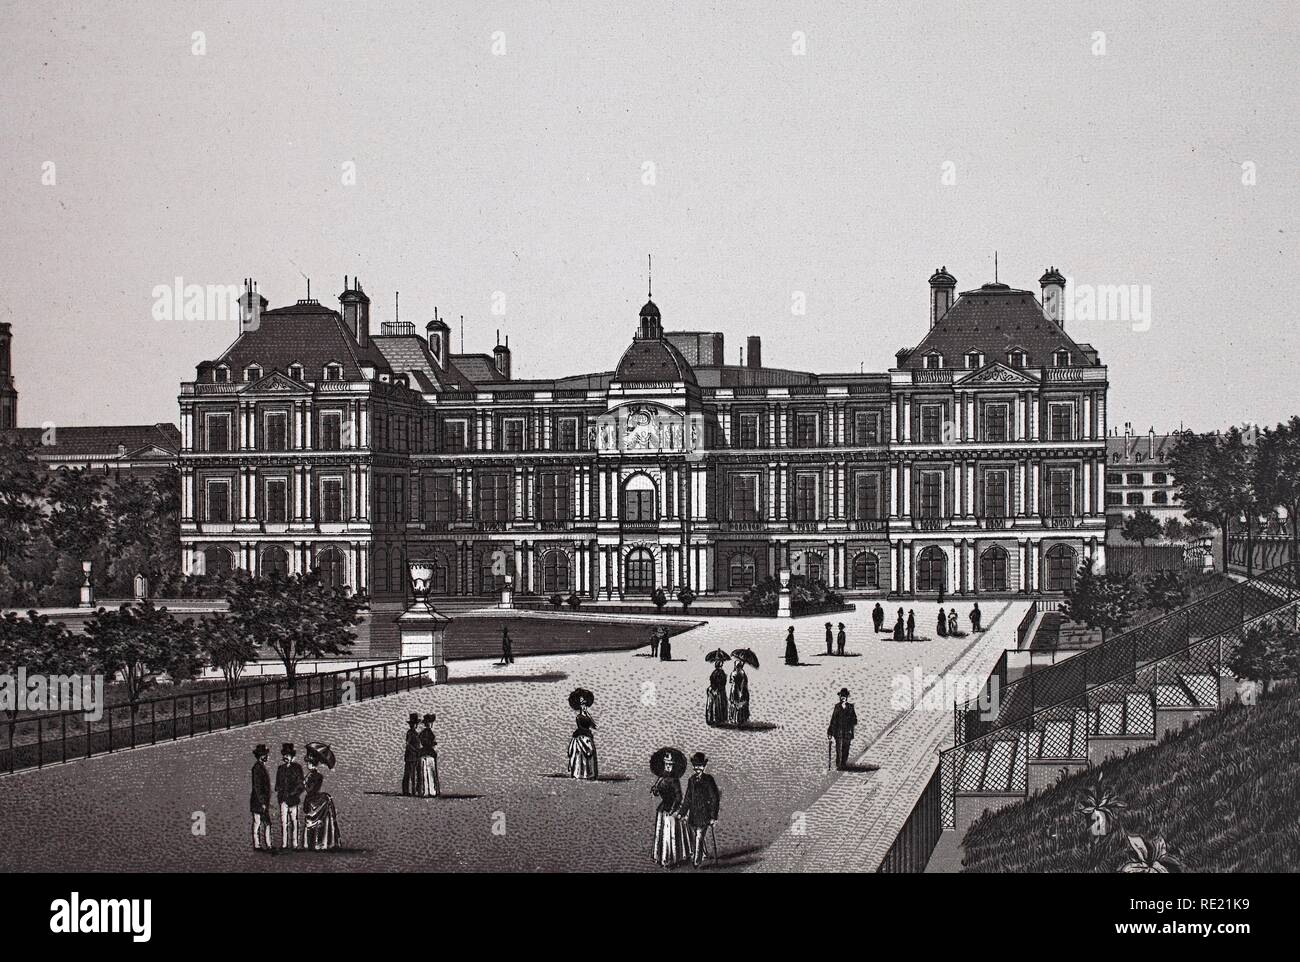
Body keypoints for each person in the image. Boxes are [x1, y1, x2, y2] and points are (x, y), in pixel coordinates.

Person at [680, 752, 722, 867]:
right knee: (696, 836)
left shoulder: (708, 779)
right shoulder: (691, 780)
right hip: (693, 814)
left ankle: (696, 861)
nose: (697, 768)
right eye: (695, 766)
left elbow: (714, 798)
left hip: (705, 814)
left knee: (699, 836)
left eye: (700, 766)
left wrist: (713, 817)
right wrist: (681, 813)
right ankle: (702, 853)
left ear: (704, 766)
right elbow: (688, 798)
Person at [651, 753, 687, 868]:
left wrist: (672, 810)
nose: (668, 767)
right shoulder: (661, 778)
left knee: (670, 835)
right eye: (666, 764)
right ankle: (661, 856)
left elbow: (678, 797)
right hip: (663, 807)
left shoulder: (674, 780)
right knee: (662, 834)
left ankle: (672, 859)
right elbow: (657, 792)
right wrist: (655, 790)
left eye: (670, 765)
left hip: (672, 809)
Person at [302, 744, 341, 851]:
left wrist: (305, 784)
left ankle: (317, 844)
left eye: (309, 763)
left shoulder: (318, 776)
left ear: (313, 764)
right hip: (311, 801)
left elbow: (312, 790)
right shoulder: (310, 775)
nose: (307, 765)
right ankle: (311, 845)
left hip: (315, 801)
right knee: (312, 824)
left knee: (317, 824)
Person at [274, 742, 304, 850]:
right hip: (283, 799)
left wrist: (292, 793)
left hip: (293, 799)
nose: (285, 757)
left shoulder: (297, 768)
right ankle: (284, 844)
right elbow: (277, 784)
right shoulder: (280, 768)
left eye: (287, 755)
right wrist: (279, 790)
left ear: (292, 756)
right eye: (284, 755)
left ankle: (295, 844)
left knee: (294, 822)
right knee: (284, 822)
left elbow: (301, 785)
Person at [827, 688, 858, 770]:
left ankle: (843, 763)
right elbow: (833, 719)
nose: (843, 697)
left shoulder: (851, 707)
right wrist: (830, 731)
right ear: (840, 697)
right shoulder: (837, 707)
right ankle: (838, 764)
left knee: (846, 748)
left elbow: (855, 720)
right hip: (839, 732)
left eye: (844, 696)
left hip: (847, 732)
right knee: (838, 749)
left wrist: (850, 721)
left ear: (847, 697)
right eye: (841, 696)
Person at [250, 744, 273, 852]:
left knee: (263, 823)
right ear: (261, 756)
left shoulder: (259, 767)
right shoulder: (257, 768)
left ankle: (265, 844)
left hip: (260, 802)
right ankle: (259, 845)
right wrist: (263, 802)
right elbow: (257, 787)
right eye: (265, 755)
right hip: (259, 802)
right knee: (259, 822)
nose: (267, 756)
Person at [567, 714, 599, 780]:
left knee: (578, 763)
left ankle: (577, 774)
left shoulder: (575, 737)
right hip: (588, 768)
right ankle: (588, 775)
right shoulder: (587, 738)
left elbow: (570, 749)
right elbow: (590, 750)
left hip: (576, 766)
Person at [418, 713, 440, 797]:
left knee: (424, 772)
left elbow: (422, 741)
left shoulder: (422, 733)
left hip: (423, 753)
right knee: (430, 772)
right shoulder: (430, 733)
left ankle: (425, 791)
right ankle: (432, 791)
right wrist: (433, 743)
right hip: (429, 753)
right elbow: (430, 743)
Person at [402, 712, 422, 796]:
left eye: (415, 724)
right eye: (414, 724)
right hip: (411, 756)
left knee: (414, 774)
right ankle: (407, 790)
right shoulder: (410, 733)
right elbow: (408, 744)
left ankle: (414, 790)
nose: (415, 725)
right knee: (409, 773)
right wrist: (415, 750)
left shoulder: (416, 733)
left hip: (415, 756)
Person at [705, 662, 728, 727]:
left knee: (712, 705)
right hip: (718, 690)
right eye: (721, 664)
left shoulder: (715, 672)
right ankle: (717, 719)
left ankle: (712, 719)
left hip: (714, 689)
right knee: (717, 705)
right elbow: (721, 682)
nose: (722, 665)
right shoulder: (719, 673)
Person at [728, 662, 750, 727]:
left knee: (733, 704)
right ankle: (739, 719)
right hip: (740, 689)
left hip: (733, 689)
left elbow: (730, 681)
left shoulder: (733, 672)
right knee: (740, 704)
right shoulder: (742, 673)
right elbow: (744, 683)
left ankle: (732, 719)